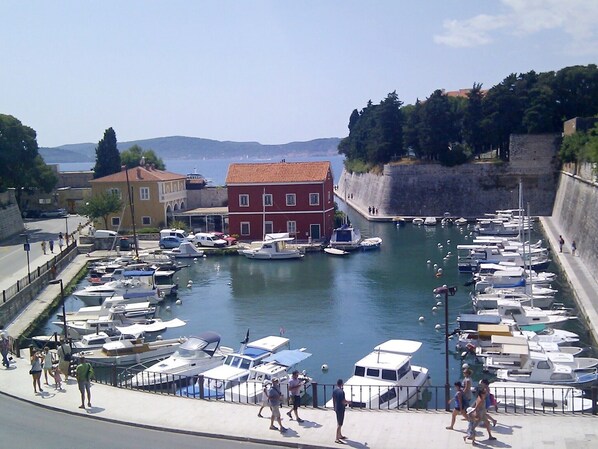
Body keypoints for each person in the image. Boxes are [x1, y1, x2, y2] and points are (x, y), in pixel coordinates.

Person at [332, 378, 350, 444]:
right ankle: (337, 438)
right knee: (340, 424)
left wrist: (334, 407)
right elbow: (343, 401)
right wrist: (349, 402)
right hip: (341, 409)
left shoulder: (334, 390)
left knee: (339, 422)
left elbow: (334, 399)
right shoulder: (342, 392)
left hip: (337, 408)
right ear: (342, 384)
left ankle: (340, 435)